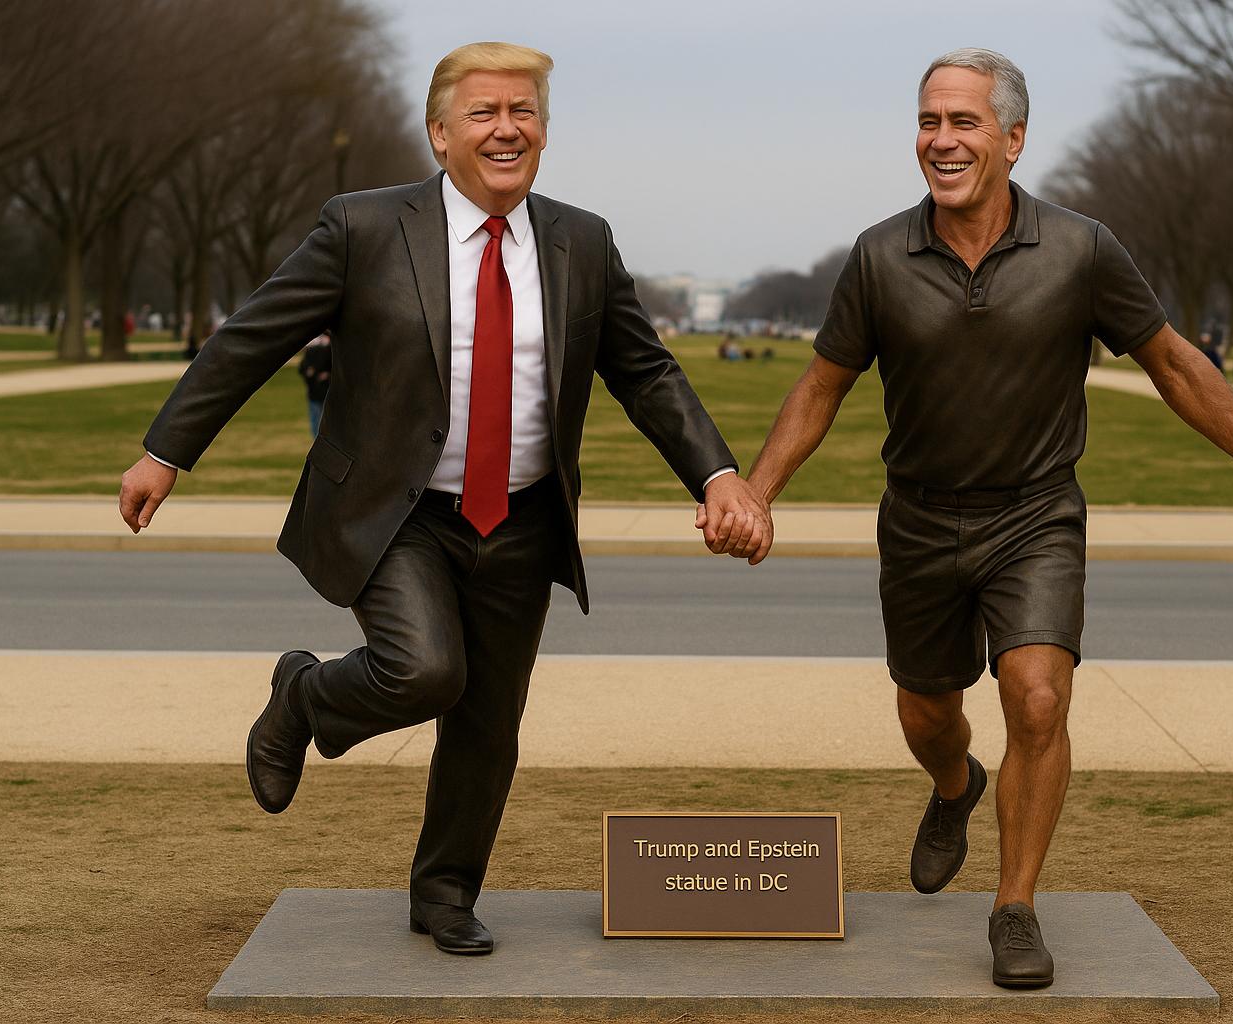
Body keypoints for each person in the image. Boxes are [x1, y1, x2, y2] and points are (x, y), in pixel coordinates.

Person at [117, 42, 768, 957]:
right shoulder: (363, 227)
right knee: (424, 670)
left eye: (524, 111)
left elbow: (646, 371)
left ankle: (445, 894)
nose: (507, 129)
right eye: (483, 112)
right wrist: (166, 451)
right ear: (439, 133)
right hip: (398, 512)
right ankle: (303, 697)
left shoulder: (583, 241)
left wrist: (717, 474)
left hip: (525, 517)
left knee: (488, 722)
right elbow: (251, 338)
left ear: (544, 130)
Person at [738, 48, 1233, 989]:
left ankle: (1013, 905)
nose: (941, 140)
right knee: (928, 712)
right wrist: (757, 492)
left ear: (1013, 139)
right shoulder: (879, 256)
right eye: (928, 121)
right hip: (918, 520)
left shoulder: (1082, 250)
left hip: (1036, 515)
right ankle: (955, 784)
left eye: (963, 122)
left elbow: (1174, 364)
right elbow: (821, 386)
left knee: (1039, 698)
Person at [298, 331, 332, 437]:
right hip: (316, 392)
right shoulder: (314, 349)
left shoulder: (328, 348)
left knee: (325, 419)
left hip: (326, 391)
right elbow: (304, 369)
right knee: (317, 419)